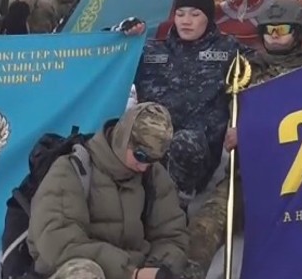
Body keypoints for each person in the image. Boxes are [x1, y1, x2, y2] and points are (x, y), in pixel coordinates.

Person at [182, 0, 302, 279]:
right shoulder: (244, 71)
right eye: (268, 30)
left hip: (301, 180)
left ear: (299, 32)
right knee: (204, 227)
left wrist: (252, 133)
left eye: (281, 30)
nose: (273, 36)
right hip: (245, 177)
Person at [27, 102, 190, 279]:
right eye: (140, 156)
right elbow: (58, 242)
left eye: (152, 160)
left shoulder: (153, 175)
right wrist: (130, 273)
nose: (144, 166)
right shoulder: (71, 170)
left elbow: (171, 234)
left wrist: (158, 269)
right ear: (123, 139)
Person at [134, 0, 245, 208]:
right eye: (180, 14)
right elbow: (106, 56)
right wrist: (122, 33)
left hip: (196, 153)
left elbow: (266, 72)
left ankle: (175, 207)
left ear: (208, 18)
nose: (186, 21)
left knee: (185, 142)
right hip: (150, 146)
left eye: (195, 14)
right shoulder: (151, 50)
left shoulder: (228, 50)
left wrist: (246, 127)